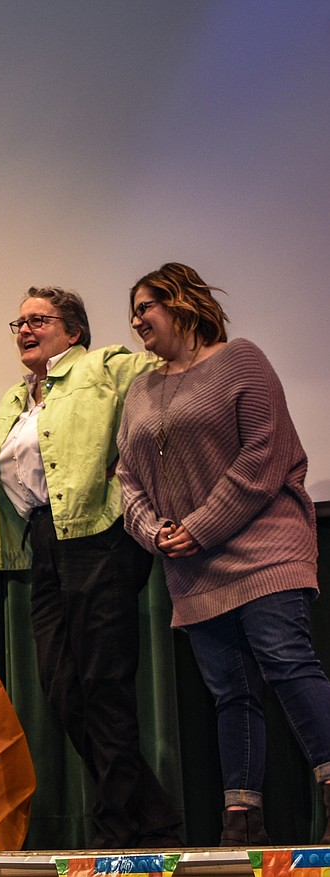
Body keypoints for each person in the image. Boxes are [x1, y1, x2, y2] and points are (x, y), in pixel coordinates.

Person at [0, 287, 181, 849]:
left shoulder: (105, 366)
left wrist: (135, 457)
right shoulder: (16, 399)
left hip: (98, 534)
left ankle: (120, 826)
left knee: (103, 683)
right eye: (17, 321)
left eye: (38, 319)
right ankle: (151, 812)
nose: (24, 329)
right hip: (44, 542)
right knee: (62, 685)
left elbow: (174, 375)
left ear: (73, 331)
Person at [117, 262, 330, 847]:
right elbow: (126, 476)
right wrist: (155, 532)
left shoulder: (242, 361)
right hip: (191, 566)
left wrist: (201, 526)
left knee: (287, 664)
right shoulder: (140, 388)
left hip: (265, 549)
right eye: (132, 312)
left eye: (145, 307)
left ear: (183, 304)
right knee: (229, 691)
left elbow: (265, 454)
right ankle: (242, 821)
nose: (136, 321)